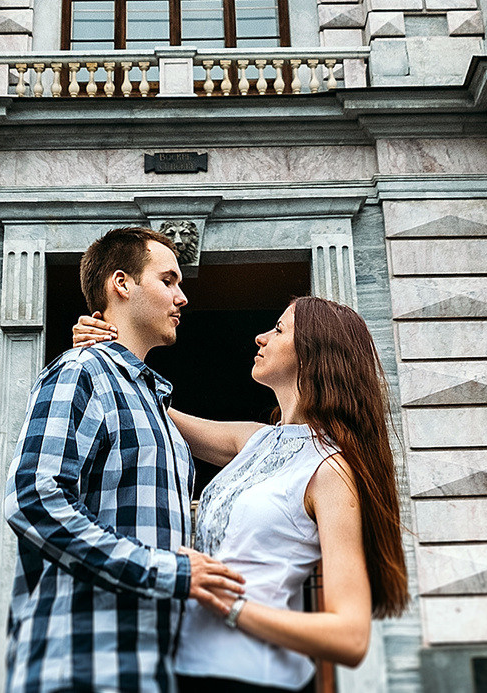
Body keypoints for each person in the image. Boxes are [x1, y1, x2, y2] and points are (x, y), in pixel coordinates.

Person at [72, 294, 410, 693]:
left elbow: (349, 637)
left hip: (252, 677)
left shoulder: (330, 470)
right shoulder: (253, 440)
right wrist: (104, 351)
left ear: (314, 354)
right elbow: (148, 408)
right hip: (184, 668)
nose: (260, 337)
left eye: (279, 329)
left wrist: (233, 607)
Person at [4, 226, 246, 693]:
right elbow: (32, 499)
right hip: (81, 667)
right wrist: (170, 572)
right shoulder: (80, 371)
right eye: (169, 280)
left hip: (146, 670)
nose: (183, 298)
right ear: (122, 283)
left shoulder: (153, 406)